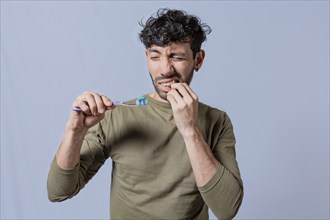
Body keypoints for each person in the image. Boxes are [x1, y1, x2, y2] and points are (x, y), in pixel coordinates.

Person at [47, 8, 243, 220]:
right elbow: (59, 191)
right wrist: (74, 131)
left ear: (198, 60)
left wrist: (190, 131)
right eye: (155, 56)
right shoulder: (116, 116)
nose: (165, 69)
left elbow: (226, 210)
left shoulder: (217, 121)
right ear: (146, 57)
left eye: (176, 56)